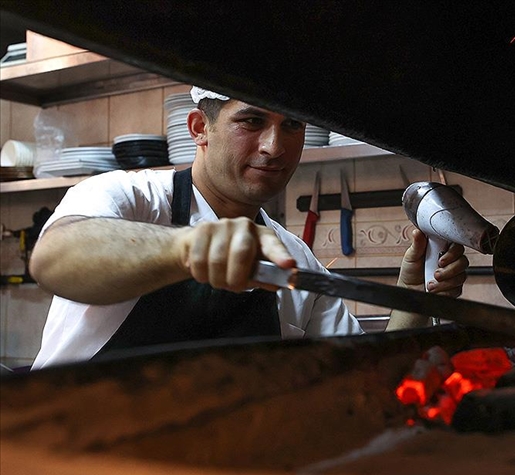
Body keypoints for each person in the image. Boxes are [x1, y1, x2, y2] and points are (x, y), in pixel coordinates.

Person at [28, 87, 468, 369]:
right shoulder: (127, 197)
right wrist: (187, 246)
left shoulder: (293, 256)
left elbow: (365, 373)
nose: (275, 147)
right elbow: (53, 258)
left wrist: (414, 291)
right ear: (201, 128)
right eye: (252, 121)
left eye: (292, 125)